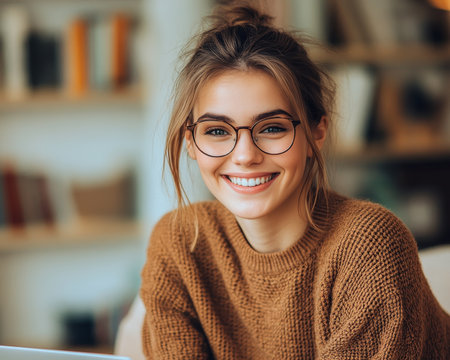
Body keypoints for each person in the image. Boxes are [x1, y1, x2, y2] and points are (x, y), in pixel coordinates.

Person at [139, 3, 450, 359]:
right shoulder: (180, 245)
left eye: (272, 128)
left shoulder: (369, 246)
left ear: (317, 132)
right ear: (191, 142)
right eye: (217, 131)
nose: (244, 155)